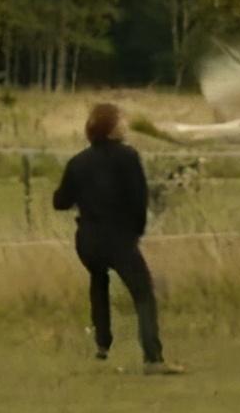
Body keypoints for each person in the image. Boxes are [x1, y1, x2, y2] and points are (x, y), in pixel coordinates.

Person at [53, 103, 184, 375]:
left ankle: (102, 342)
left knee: (98, 279)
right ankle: (153, 358)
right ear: (112, 127)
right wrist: (136, 232)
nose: (125, 125)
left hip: (87, 239)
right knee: (143, 293)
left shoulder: (77, 162)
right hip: (118, 238)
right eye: (121, 121)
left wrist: (84, 197)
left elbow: (60, 201)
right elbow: (139, 199)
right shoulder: (127, 157)